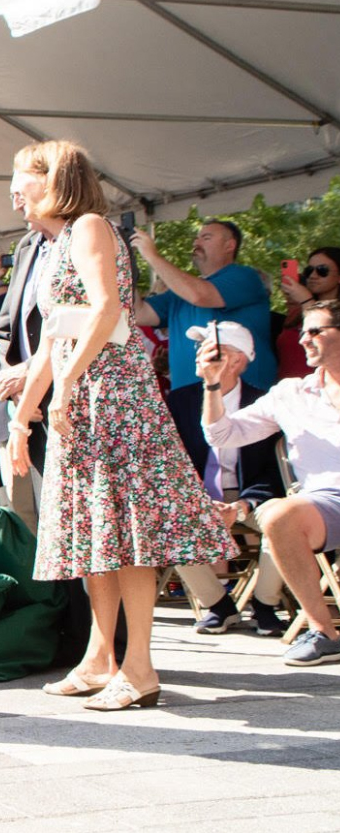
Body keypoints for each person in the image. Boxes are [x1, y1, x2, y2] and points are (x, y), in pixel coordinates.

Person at [7, 140, 235, 711]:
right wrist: (22, 415)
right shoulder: (54, 243)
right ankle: (100, 657)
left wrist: (64, 390)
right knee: (96, 535)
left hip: (112, 400)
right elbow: (52, 340)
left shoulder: (88, 227)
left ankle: (139, 669)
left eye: (21, 177)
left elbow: (109, 308)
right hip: (82, 400)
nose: (13, 190)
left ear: (52, 178)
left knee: (128, 535)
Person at [203, 299, 340, 666]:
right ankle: (324, 633)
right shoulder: (290, 393)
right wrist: (212, 385)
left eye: (316, 331)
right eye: (302, 331)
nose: (304, 340)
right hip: (327, 501)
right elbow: (222, 435)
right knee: (279, 514)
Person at [162, 322, 285, 634]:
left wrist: (243, 506)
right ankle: (218, 605)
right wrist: (197, 501)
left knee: (281, 522)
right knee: (169, 521)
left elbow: (276, 472)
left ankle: (265, 604)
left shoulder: (263, 403)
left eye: (211, 349)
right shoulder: (180, 402)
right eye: (199, 348)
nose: (200, 355)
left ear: (238, 361)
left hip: (252, 497)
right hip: (199, 495)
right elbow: (169, 463)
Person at [0, 163, 62, 519]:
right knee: (38, 520)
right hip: (27, 409)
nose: (16, 203)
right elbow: (5, 330)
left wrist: (32, 376)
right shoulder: (26, 247)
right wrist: (17, 385)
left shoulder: (87, 236)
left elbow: (87, 323)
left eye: (20, 192)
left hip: (69, 402)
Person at [133, 219, 276, 391]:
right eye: (196, 238)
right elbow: (138, 313)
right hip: (187, 396)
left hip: (238, 397)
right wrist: (124, 265)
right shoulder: (179, 292)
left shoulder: (245, 277)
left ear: (229, 245)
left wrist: (152, 256)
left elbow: (199, 296)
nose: (196, 242)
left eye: (206, 237)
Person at [278, 248, 339, 381]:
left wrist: (306, 300)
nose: (313, 276)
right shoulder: (297, 312)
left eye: (322, 270)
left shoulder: (306, 304)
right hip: (289, 391)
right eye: (309, 270)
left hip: (324, 390)